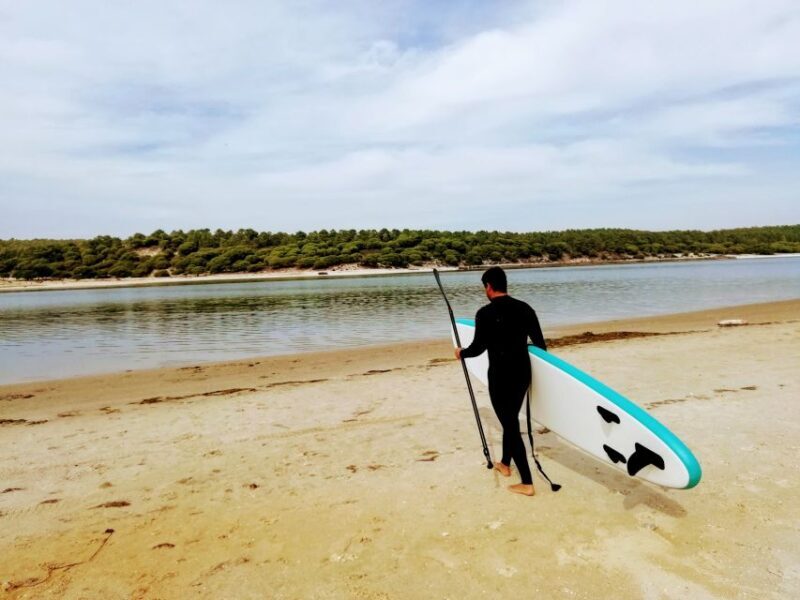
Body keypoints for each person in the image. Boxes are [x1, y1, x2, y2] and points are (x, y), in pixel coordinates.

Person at [455, 266, 547, 497]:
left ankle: (527, 483)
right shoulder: (525, 308)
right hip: (522, 374)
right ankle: (505, 463)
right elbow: (540, 346)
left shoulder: (485, 313)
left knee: (510, 425)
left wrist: (461, 353)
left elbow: (477, 348)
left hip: (500, 377)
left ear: (488, 286)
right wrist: (519, 347)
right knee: (510, 419)